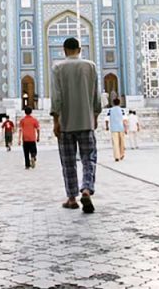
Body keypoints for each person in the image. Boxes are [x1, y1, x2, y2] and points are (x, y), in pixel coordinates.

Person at [51, 37, 102, 214]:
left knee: (68, 162)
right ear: (80, 49)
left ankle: (72, 198)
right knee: (89, 158)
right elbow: (96, 94)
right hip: (86, 121)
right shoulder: (90, 66)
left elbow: (56, 96)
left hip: (66, 123)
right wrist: (95, 115)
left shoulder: (58, 67)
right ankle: (86, 189)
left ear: (64, 50)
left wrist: (55, 120)